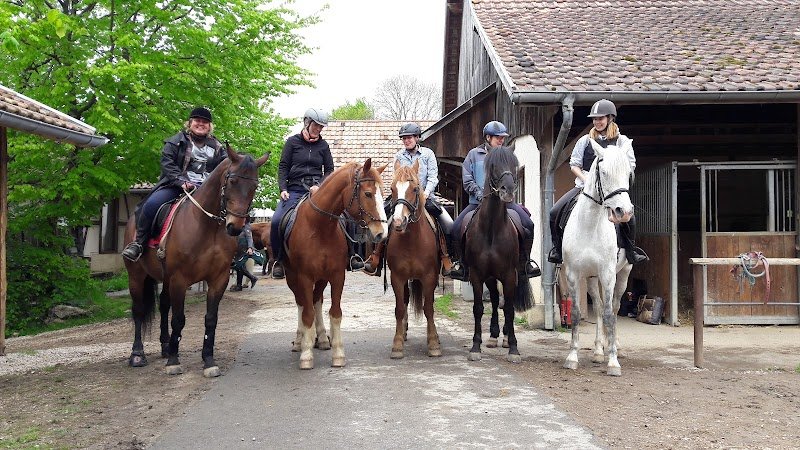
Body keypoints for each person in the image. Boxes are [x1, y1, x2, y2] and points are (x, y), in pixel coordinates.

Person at [547, 99, 649, 265]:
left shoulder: (622, 141)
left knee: (629, 217)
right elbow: (574, 165)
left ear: (610, 118)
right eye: (594, 119)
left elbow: (630, 166)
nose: (597, 122)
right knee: (554, 212)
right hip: (585, 187)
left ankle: (631, 251)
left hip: (612, 188)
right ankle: (558, 250)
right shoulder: (585, 140)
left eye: (600, 118)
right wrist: (586, 179)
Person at [270, 108, 365, 279]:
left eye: (321, 127)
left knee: (345, 216)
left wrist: (319, 185)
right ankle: (279, 260)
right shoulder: (292, 142)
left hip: (318, 190)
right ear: (307, 123)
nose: (318, 129)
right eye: (316, 125)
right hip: (294, 189)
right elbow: (283, 166)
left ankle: (352, 255)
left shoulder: (323, 146)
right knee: (277, 220)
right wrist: (283, 188)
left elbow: (329, 169)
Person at [122, 106, 226, 262]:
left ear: (210, 126)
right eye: (197, 120)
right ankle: (139, 244)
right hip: (177, 186)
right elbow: (167, 163)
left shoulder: (217, 147)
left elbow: (227, 165)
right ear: (190, 123)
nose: (201, 124)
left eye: (205, 122)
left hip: (206, 190)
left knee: (233, 210)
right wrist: (181, 181)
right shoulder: (176, 141)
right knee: (151, 205)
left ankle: (234, 251)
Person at [448, 120, 539, 281]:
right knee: (455, 228)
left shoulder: (507, 154)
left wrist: (509, 190)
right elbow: (467, 179)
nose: (501, 140)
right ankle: (461, 264)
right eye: (498, 137)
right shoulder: (473, 155)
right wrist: (480, 195)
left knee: (528, 224)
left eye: (503, 137)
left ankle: (525, 263)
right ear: (488, 137)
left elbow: (512, 176)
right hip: (477, 203)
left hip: (506, 203)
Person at [363, 122, 454, 276]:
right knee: (381, 218)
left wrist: (426, 192)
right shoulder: (399, 156)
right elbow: (396, 179)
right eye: (404, 138)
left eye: (409, 137)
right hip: (402, 198)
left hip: (425, 197)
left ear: (417, 138)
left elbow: (433, 177)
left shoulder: (428, 154)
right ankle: (375, 257)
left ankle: (447, 258)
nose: (406, 141)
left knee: (449, 224)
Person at [230, 216, 260, 291]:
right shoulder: (237, 226)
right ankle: (249, 279)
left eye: (244, 219)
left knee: (239, 266)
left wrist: (250, 248)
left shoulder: (246, 227)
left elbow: (249, 238)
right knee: (239, 267)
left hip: (244, 249)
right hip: (238, 249)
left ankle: (241, 284)